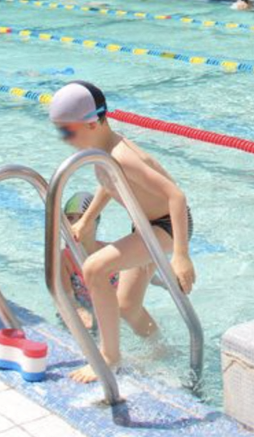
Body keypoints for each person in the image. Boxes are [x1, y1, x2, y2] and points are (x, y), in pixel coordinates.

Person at [49, 81, 195, 384]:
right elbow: (108, 183)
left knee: (95, 268)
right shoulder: (101, 151)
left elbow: (176, 197)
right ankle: (162, 350)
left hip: (166, 225)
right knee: (127, 305)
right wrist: (88, 219)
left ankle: (109, 356)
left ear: (92, 122)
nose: (64, 139)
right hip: (144, 225)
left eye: (67, 131)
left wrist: (181, 255)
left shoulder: (122, 156)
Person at [59, 191, 119, 330]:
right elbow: (68, 299)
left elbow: (137, 271)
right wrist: (80, 311)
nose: (74, 223)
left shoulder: (111, 251)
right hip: (80, 313)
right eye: (70, 218)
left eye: (81, 218)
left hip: (110, 313)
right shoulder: (65, 258)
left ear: (95, 219)